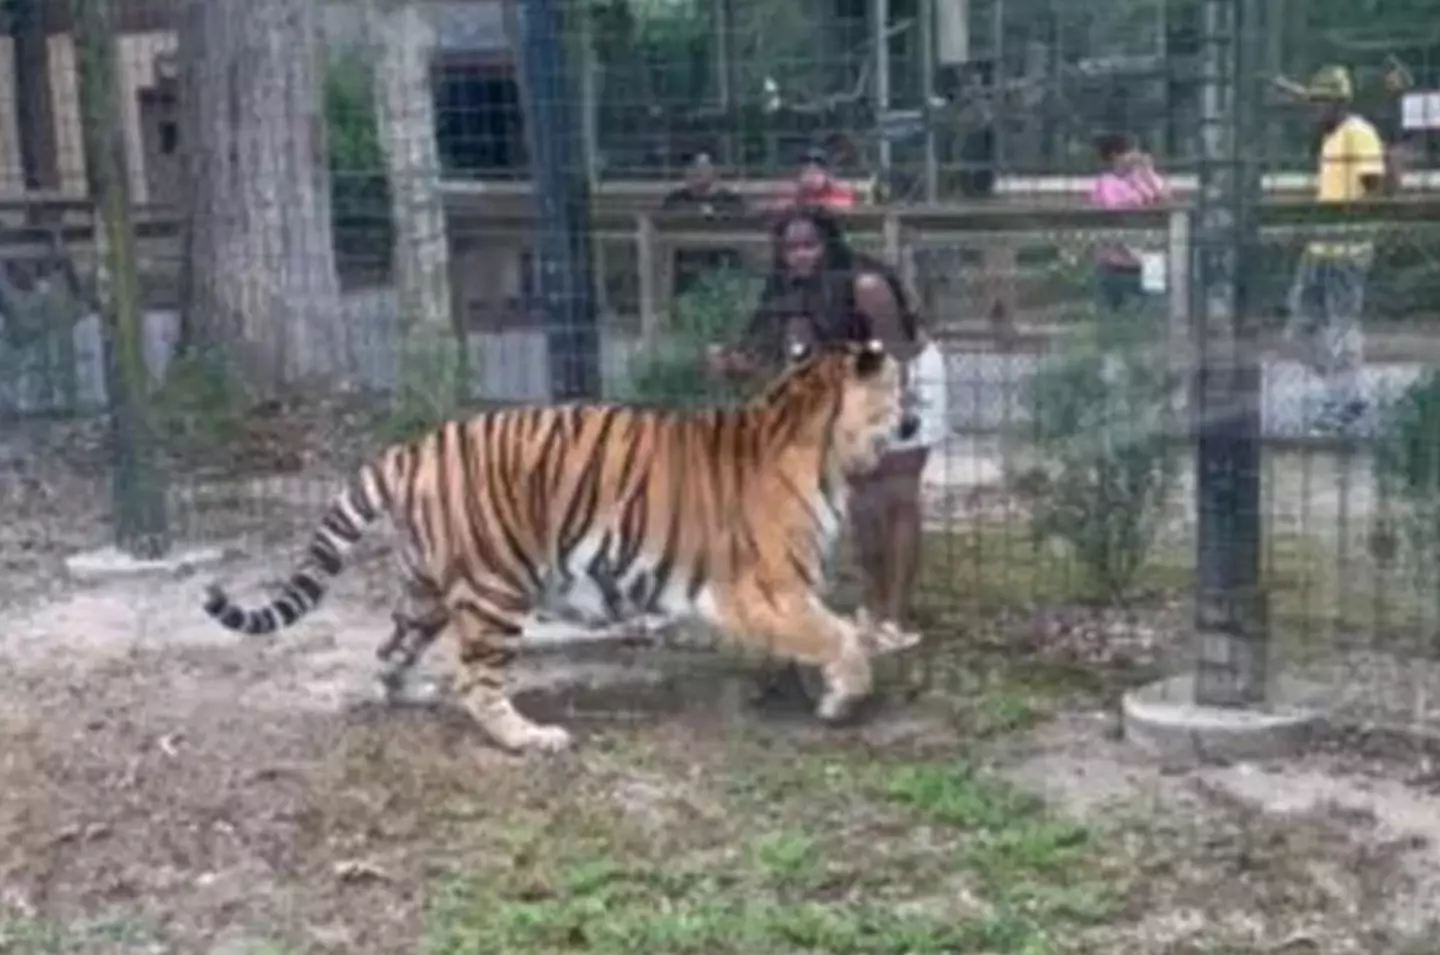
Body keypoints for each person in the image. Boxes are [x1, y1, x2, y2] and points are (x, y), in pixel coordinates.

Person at [707, 205, 949, 643]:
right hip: (848, 383)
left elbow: (895, 352)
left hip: (904, 374)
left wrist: (895, 411)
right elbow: (780, 370)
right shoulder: (787, 293)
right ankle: (874, 605)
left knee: (897, 494)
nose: (800, 255)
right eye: (791, 248)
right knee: (861, 500)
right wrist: (736, 364)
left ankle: (896, 616)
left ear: (829, 244)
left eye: (809, 245)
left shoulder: (866, 285)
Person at [1284, 65, 1390, 435]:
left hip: (1348, 247)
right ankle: (1347, 393)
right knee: (1299, 332)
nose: (1315, 110)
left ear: (1338, 103)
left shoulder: (1358, 134)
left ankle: (1343, 405)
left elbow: (1373, 185)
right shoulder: (1331, 136)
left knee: (1343, 328)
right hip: (1320, 246)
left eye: (1321, 104)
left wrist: (1358, 224)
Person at [1088, 132, 1171, 313]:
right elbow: (1117, 210)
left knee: (1156, 270)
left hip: (1149, 250)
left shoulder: (1141, 178)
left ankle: (1154, 314)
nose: (1135, 157)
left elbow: (1164, 200)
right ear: (1115, 157)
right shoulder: (1106, 182)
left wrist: (1147, 174)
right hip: (1119, 253)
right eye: (1130, 153)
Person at [661, 151, 748, 298]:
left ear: (713, 171)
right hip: (687, 271)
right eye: (692, 167)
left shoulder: (731, 201)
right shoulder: (675, 200)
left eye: (702, 166)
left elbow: (737, 228)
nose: (696, 171)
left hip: (721, 270)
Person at [781, 146, 857, 211]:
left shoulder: (841, 197)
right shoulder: (790, 199)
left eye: (818, 162)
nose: (812, 166)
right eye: (806, 162)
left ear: (828, 171)